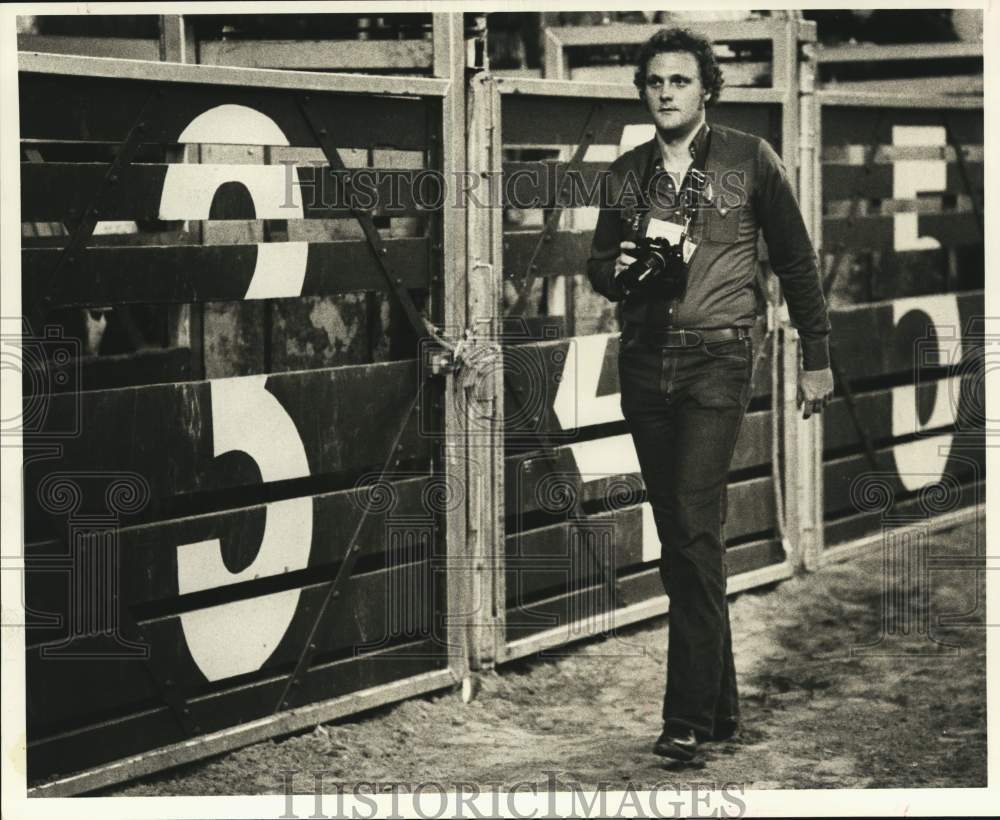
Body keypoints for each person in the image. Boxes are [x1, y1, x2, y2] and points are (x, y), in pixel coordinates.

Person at [586, 27, 834, 763]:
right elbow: (597, 263)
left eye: (680, 81)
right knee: (684, 541)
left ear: (707, 91)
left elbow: (796, 260)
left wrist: (817, 358)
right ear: (645, 90)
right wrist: (618, 264)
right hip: (645, 366)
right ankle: (720, 708)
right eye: (655, 81)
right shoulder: (627, 172)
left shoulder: (748, 159)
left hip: (718, 364)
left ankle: (685, 719)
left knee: (693, 531)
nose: (666, 92)